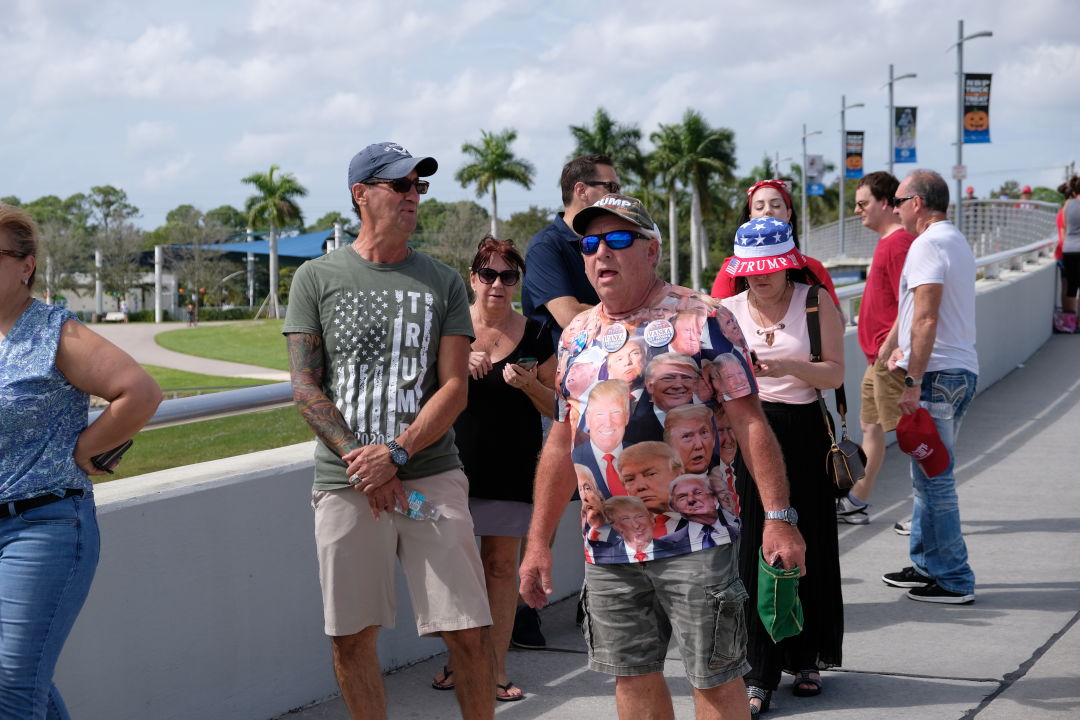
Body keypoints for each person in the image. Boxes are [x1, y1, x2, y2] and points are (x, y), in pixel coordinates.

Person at [518, 193, 805, 720]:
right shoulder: (576, 336)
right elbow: (562, 442)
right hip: (607, 548)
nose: (602, 252)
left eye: (619, 239)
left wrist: (781, 521)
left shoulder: (705, 317)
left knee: (716, 680)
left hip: (697, 539)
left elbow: (750, 421)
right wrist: (537, 544)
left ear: (651, 250)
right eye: (591, 243)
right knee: (631, 678)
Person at [283, 141, 496, 720]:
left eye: (418, 187)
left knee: (469, 633)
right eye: (399, 185)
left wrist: (396, 455)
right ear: (361, 194)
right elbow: (305, 386)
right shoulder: (315, 278)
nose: (413, 197)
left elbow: (454, 387)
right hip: (347, 484)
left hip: (430, 478)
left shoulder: (444, 282)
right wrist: (364, 462)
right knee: (350, 639)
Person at [0, 204, 162, 719]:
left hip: (41, 525)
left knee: (10, 690)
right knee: (23, 686)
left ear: (26, 265)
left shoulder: (52, 331)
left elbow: (139, 392)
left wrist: (84, 450)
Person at [721, 216, 846, 712]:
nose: (760, 277)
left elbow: (835, 373)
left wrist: (788, 366)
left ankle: (806, 656)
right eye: (751, 270)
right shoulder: (726, 310)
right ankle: (759, 671)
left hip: (805, 432)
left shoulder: (814, 303)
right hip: (752, 431)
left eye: (770, 268)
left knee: (809, 542)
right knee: (757, 548)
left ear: (789, 264)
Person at [431, 236, 556, 701]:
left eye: (508, 276)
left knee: (501, 568)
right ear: (473, 279)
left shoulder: (539, 333)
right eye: (488, 274)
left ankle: (496, 668)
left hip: (511, 469)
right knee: (454, 570)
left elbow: (557, 406)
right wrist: (460, 362)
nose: (498, 284)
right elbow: (423, 388)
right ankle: (459, 660)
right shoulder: (449, 329)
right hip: (448, 469)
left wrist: (528, 386)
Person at [881, 169, 980, 605]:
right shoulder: (954, 240)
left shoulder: (926, 244)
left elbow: (925, 317)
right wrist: (892, 346)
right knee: (926, 474)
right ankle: (925, 564)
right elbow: (914, 314)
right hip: (957, 371)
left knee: (936, 478)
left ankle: (954, 578)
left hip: (937, 377)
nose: (894, 206)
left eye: (899, 199)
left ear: (918, 203)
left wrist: (912, 381)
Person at [836, 171, 916, 525]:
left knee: (914, 434)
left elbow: (912, 302)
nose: (857, 210)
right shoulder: (887, 243)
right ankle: (856, 500)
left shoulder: (899, 244)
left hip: (890, 358)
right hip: (877, 357)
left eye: (863, 203)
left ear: (886, 203)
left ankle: (924, 512)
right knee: (870, 427)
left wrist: (892, 346)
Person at [522, 154, 621, 347]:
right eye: (611, 187)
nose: (618, 196)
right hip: (565, 369)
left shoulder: (610, 242)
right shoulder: (545, 247)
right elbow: (568, 315)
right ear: (581, 190)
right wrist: (631, 320)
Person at [711, 179, 840, 307]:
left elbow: (836, 320)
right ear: (750, 218)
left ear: (788, 214)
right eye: (759, 207)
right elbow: (716, 319)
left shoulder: (813, 268)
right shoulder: (731, 270)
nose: (767, 211)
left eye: (776, 205)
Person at [1059, 176, 1080, 315]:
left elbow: (1064, 226)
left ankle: (1069, 321)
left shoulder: (1068, 204)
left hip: (1069, 249)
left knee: (1071, 286)